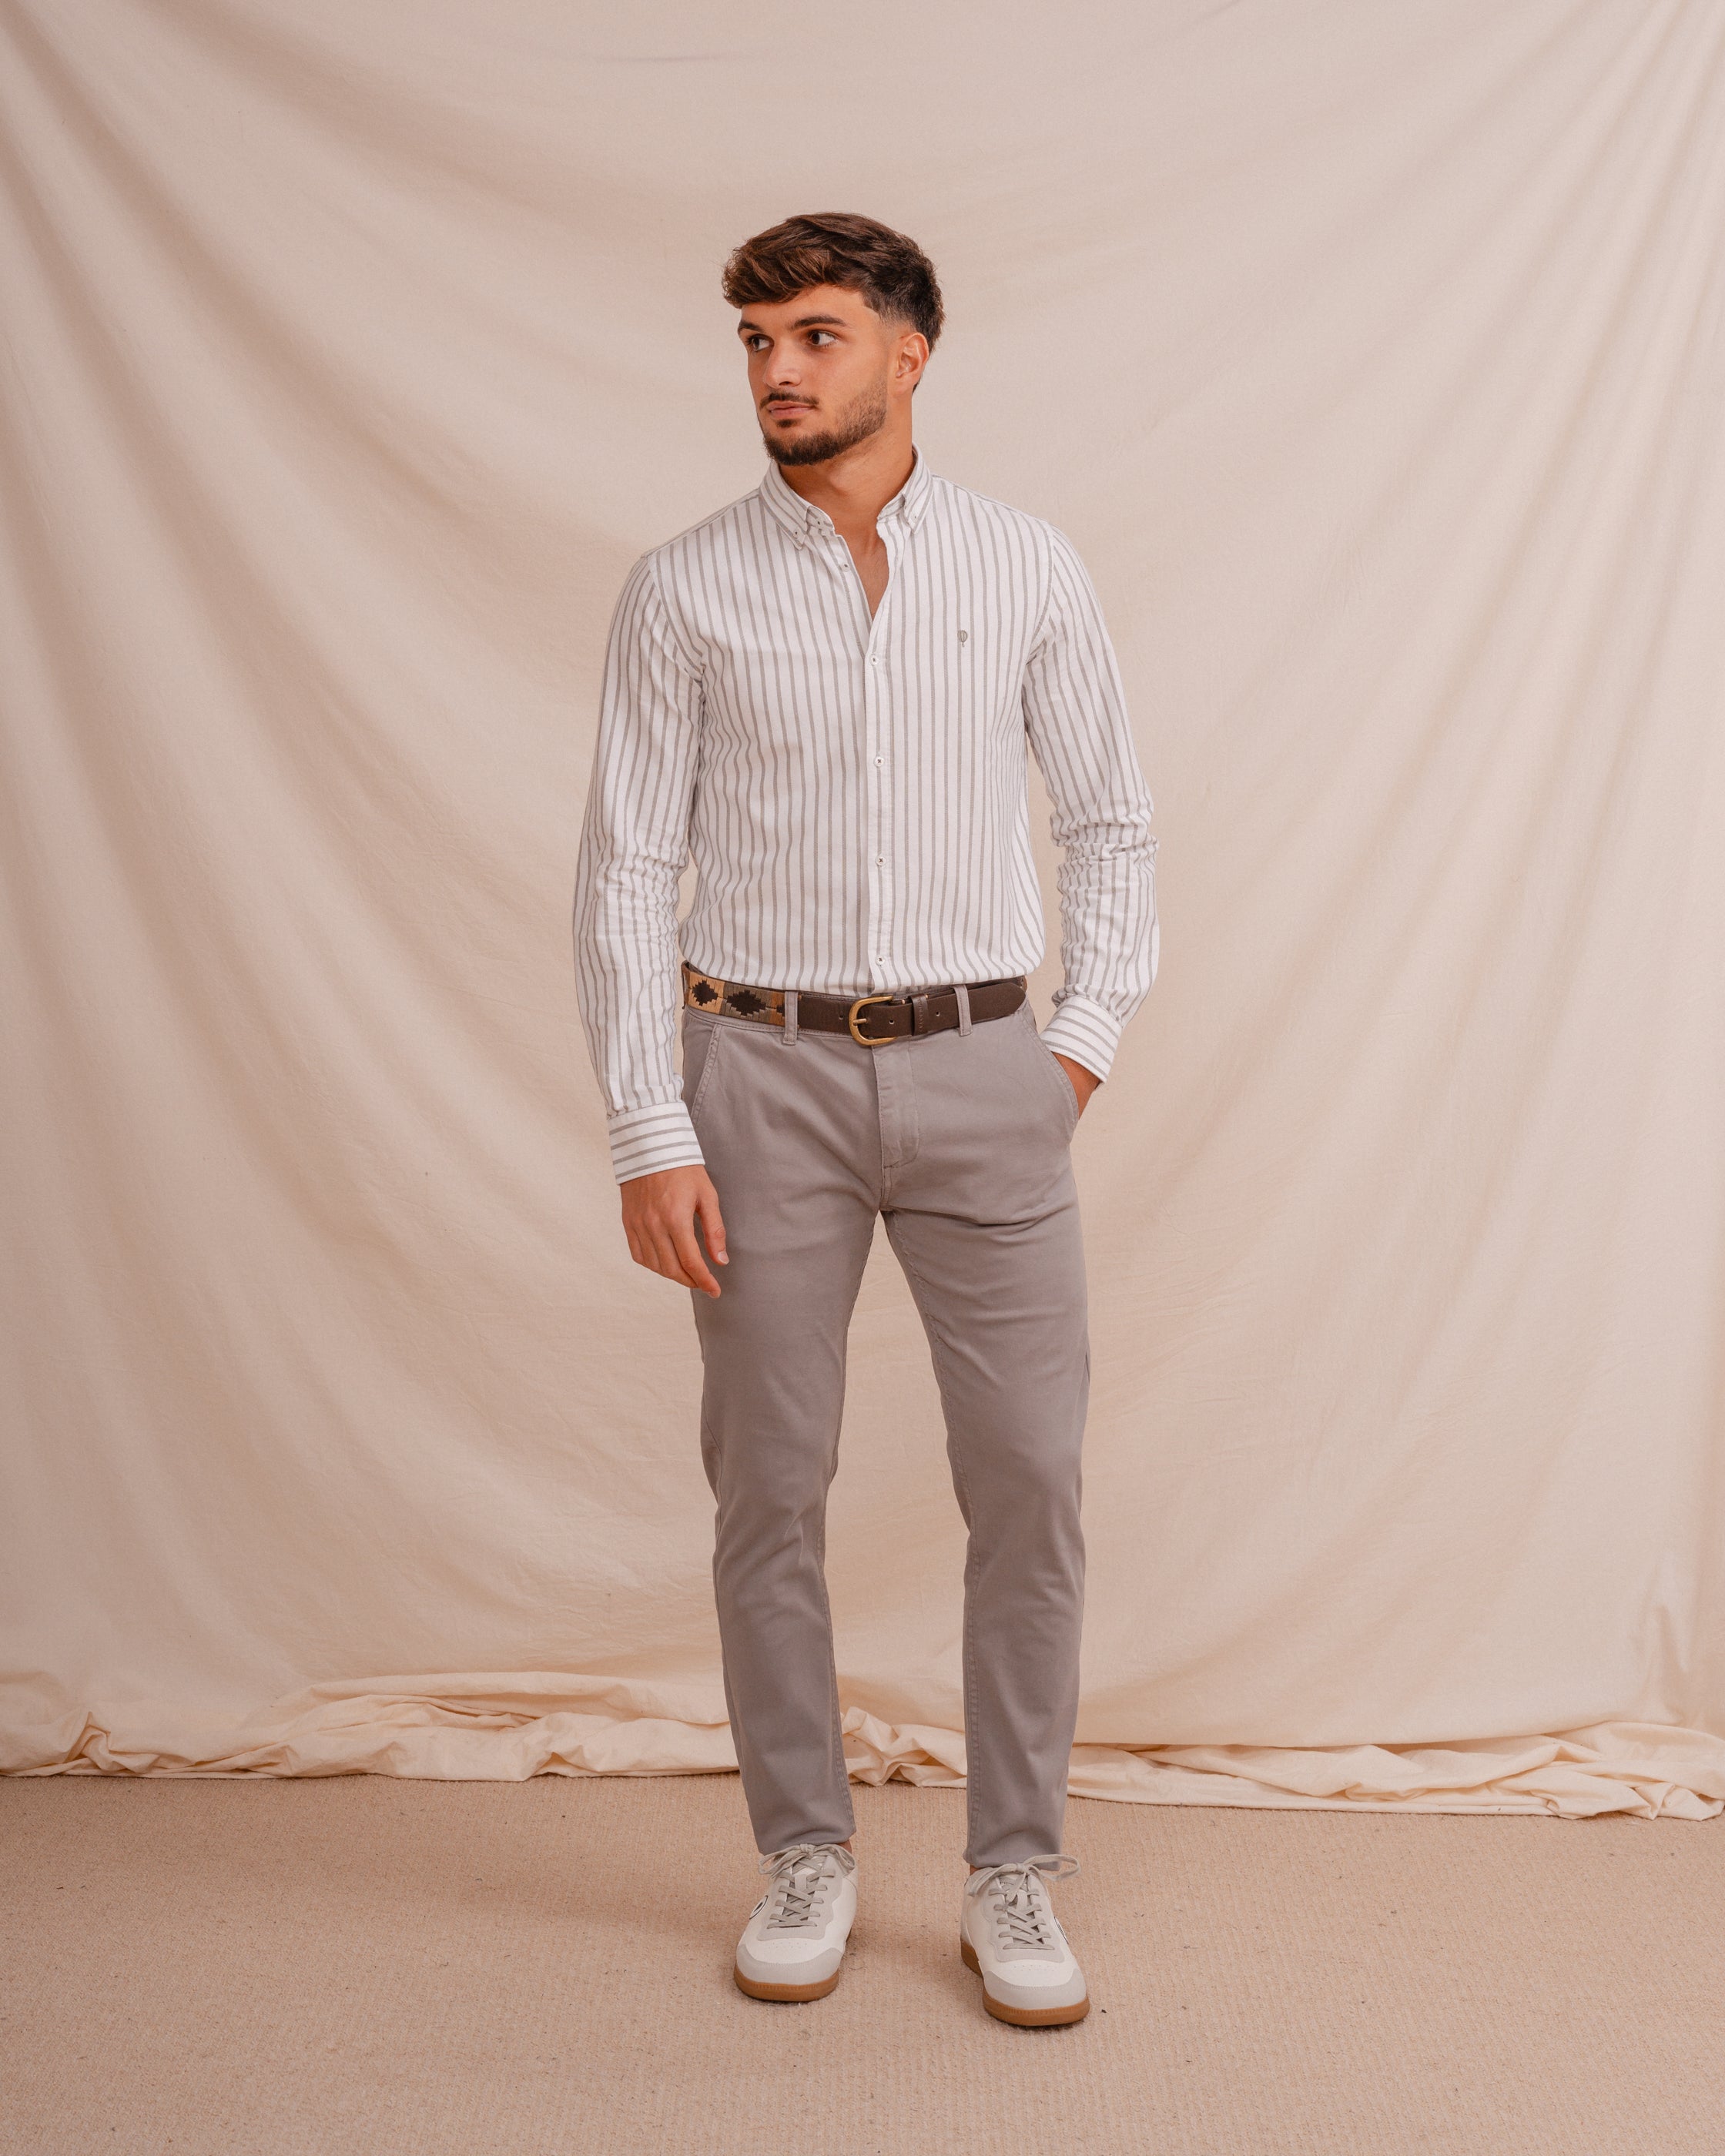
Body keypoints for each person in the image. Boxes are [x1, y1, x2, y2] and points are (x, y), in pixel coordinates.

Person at [572, 211, 1158, 2027]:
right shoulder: (683, 587)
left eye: (814, 335)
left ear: (910, 352)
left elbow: (1110, 821)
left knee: (1031, 1477)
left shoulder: (1025, 564)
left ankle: (1012, 1867)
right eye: (756, 341)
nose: (777, 371)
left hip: (989, 1070)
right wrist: (650, 1124)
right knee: (768, 1483)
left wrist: (1070, 1051)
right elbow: (627, 866)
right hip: (757, 1077)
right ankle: (804, 1849)